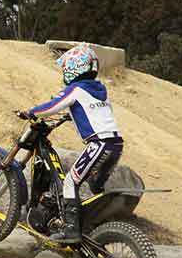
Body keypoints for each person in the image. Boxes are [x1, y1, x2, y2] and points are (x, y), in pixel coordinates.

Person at [18, 44, 124, 244]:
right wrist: (71, 115)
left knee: (70, 182)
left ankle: (72, 231)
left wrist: (31, 112)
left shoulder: (76, 89)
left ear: (74, 67)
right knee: (95, 185)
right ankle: (97, 222)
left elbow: (52, 106)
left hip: (98, 144)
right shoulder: (99, 89)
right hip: (116, 145)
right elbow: (91, 110)